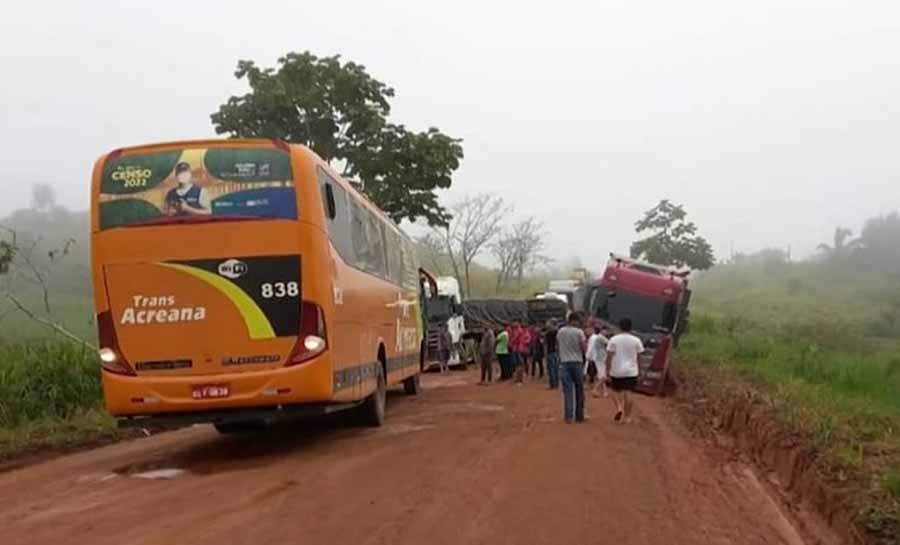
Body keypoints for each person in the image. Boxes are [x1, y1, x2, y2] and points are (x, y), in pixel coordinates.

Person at [604, 318, 645, 424]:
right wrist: (640, 371)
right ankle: (627, 417)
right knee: (629, 392)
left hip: (616, 370)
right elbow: (640, 357)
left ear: (619, 326)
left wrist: (607, 370)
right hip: (631, 371)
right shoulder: (636, 340)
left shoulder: (613, 339)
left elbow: (609, 357)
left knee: (614, 390)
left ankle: (619, 407)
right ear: (630, 327)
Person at [557, 313, 587, 423]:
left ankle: (568, 416)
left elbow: (558, 345)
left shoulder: (561, 331)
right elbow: (584, 347)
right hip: (577, 362)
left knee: (568, 391)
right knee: (579, 390)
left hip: (564, 362)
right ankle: (580, 416)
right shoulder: (579, 332)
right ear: (575, 321)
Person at [587, 326, 610, 398]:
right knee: (603, 376)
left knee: (601, 375)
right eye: (605, 331)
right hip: (601, 359)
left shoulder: (600, 337)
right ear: (602, 331)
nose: (606, 332)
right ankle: (595, 389)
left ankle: (605, 391)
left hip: (600, 358)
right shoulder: (601, 338)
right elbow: (609, 344)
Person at [544, 321, 560, 389]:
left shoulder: (547, 334)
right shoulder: (557, 332)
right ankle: (556, 384)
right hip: (555, 352)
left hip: (550, 352)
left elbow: (545, 344)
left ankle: (552, 384)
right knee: (556, 368)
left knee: (551, 369)